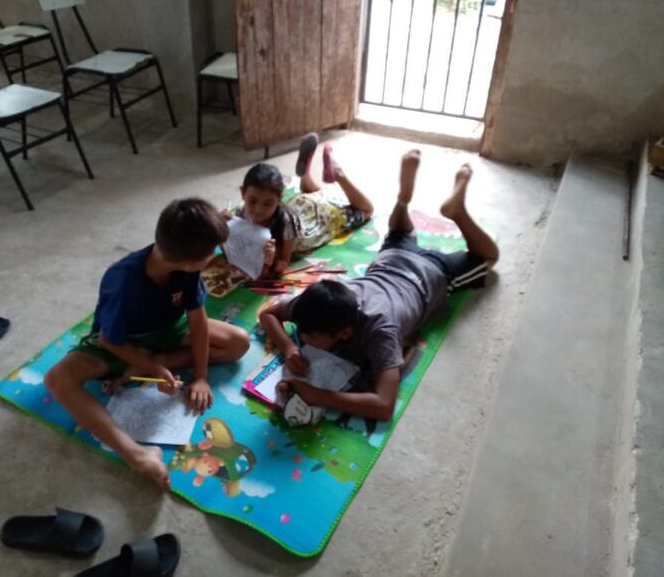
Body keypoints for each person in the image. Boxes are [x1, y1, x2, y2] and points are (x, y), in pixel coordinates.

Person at [259, 150, 499, 421]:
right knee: (399, 236)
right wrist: (288, 347)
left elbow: (384, 406)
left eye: (311, 337)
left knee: (488, 258)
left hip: (431, 275)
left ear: (345, 333)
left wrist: (321, 397)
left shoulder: (381, 331)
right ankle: (404, 200)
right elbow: (268, 312)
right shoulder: (322, 302)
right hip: (392, 259)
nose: (302, 338)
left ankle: (450, 212)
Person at [44, 198, 251, 488]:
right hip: (122, 343)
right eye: (212, 253)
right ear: (192, 262)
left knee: (239, 342)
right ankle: (136, 453)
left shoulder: (186, 270)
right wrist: (149, 366)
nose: (216, 256)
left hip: (169, 330)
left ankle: (149, 364)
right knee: (58, 379)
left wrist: (201, 377)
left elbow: (198, 321)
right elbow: (109, 339)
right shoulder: (124, 280)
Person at [228, 133, 374, 278]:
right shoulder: (241, 211)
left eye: (268, 203)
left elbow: (284, 264)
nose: (258, 210)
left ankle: (339, 174)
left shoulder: (286, 225)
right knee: (312, 193)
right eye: (252, 201)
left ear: (280, 200)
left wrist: (271, 261)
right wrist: (221, 227)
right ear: (243, 193)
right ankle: (305, 175)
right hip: (302, 205)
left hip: (319, 219)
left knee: (366, 210)